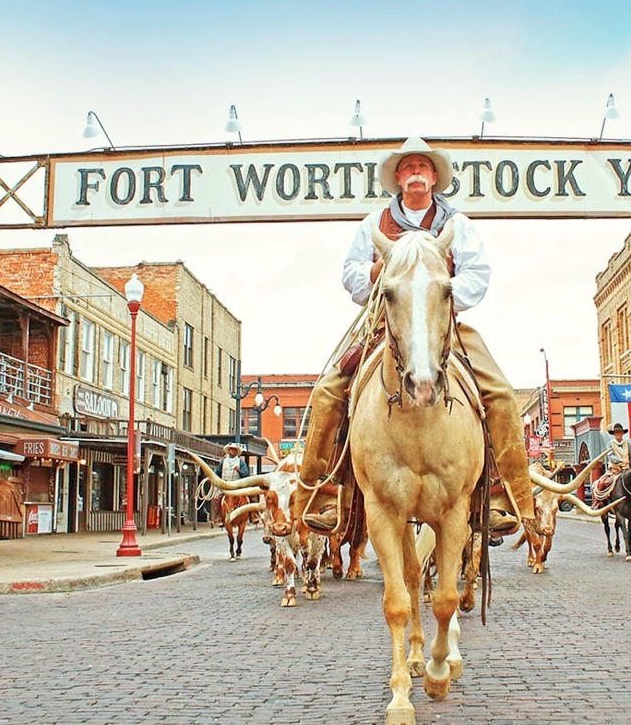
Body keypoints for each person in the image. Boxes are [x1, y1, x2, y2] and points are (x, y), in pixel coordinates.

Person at [294, 136, 536, 536]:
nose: (416, 174)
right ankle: (323, 495)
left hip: (444, 323)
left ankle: (501, 497)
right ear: (398, 179)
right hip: (384, 322)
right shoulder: (373, 224)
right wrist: (378, 274)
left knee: (501, 394)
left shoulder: (458, 224)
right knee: (328, 391)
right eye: (408, 168)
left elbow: (478, 274)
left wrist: (435, 295)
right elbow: (351, 275)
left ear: (435, 177)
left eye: (423, 167)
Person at [211, 443, 251, 526]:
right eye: (231, 449)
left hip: (237, 486)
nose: (232, 451)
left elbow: (246, 474)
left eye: (234, 450)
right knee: (216, 498)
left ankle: (252, 516)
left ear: (237, 452)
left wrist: (239, 470)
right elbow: (217, 472)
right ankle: (218, 517)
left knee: (250, 497)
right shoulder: (223, 462)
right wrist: (217, 481)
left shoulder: (241, 462)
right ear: (228, 451)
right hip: (225, 485)